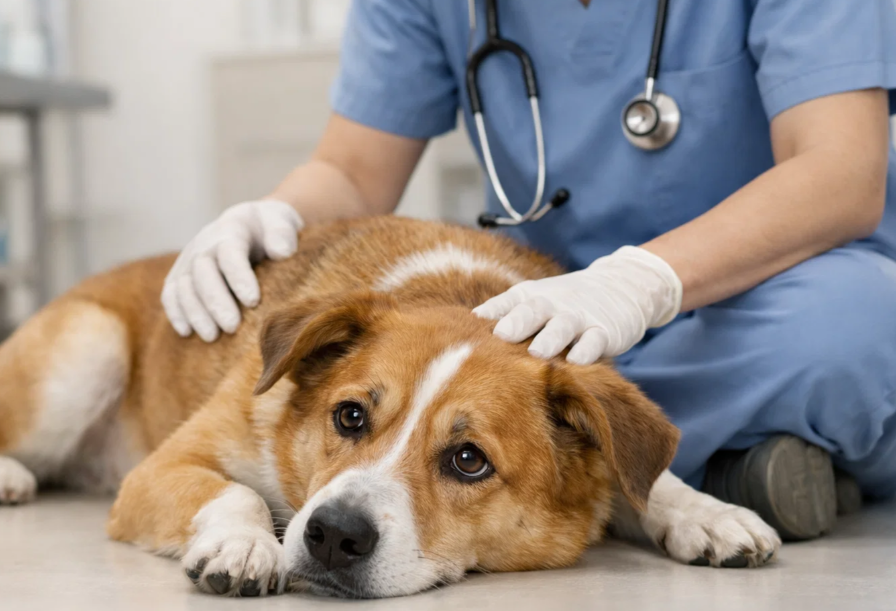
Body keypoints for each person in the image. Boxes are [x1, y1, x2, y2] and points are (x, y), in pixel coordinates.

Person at [162, 0, 896, 542]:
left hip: (768, 290)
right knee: (500, 398)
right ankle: (711, 466)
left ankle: (633, 465)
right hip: (547, 326)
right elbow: (352, 171)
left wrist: (641, 279)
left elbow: (841, 171)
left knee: (851, 332)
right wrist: (274, 216)